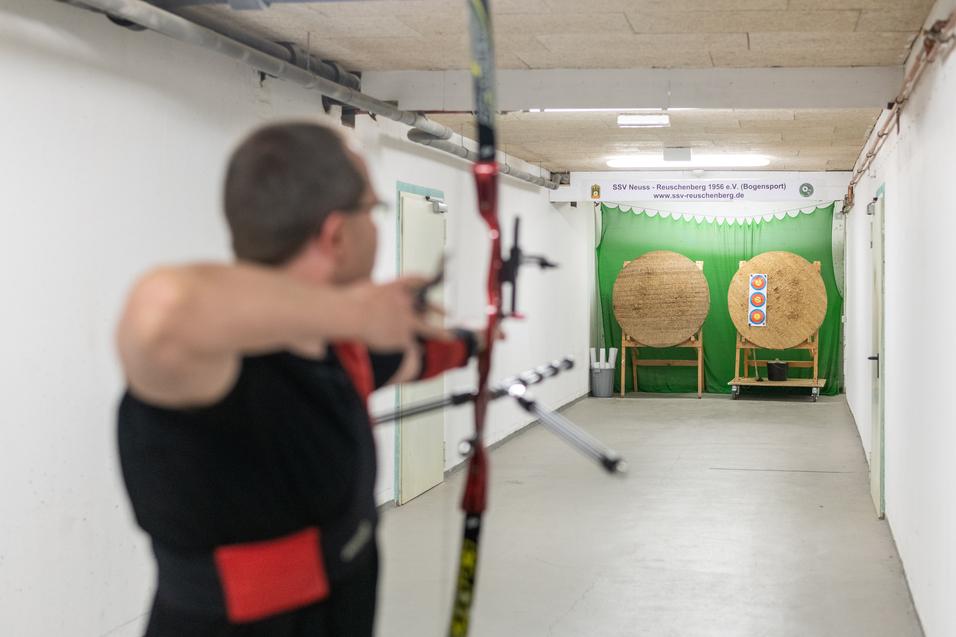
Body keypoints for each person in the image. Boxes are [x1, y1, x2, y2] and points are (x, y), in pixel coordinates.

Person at [115, 121, 481, 636]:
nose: (378, 226)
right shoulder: (209, 366)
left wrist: (475, 342)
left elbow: (409, 359)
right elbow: (161, 309)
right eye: (374, 210)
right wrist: (354, 314)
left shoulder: (333, 350)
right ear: (336, 234)